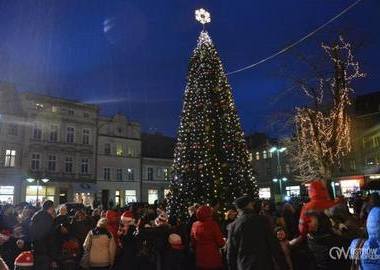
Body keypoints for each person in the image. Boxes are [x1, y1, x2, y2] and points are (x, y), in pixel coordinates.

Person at [227, 195, 289, 270]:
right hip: (264, 263)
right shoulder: (262, 220)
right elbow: (273, 244)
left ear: (238, 208)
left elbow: (231, 253)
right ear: (249, 205)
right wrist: (283, 265)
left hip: (244, 265)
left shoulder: (233, 226)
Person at [191, 205, 225, 270]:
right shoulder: (213, 224)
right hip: (212, 255)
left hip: (200, 255)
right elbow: (220, 242)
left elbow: (193, 241)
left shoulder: (194, 224)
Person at [30, 200, 56, 270]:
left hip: (35, 247)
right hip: (44, 249)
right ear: (51, 207)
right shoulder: (47, 217)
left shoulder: (36, 214)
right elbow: (48, 235)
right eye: (53, 207)